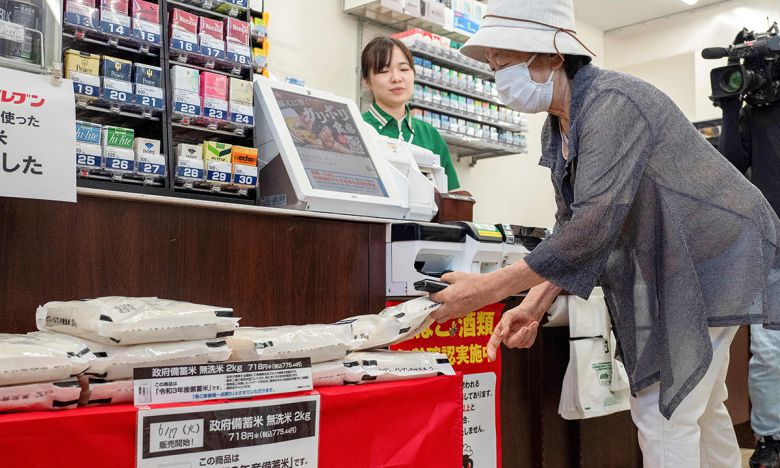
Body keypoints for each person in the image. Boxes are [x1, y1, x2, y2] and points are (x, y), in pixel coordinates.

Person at [427, 0, 780, 466]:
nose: (498, 78)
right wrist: (533, 304)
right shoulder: (558, 127)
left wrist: (486, 289)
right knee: (702, 403)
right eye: (492, 66)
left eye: (504, 62)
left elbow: (593, 225)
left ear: (552, 55)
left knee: (664, 410)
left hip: (714, 254)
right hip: (692, 260)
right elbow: (573, 226)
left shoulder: (613, 103)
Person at [718, 59, 780, 468]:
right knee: (769, 352)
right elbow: (729, 167)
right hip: (769, 251)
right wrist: (727, 105)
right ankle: (771, 439)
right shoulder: (755, 109)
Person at [360, 36, 461, 191]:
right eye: (384, 71)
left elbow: (453, 197)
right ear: (367, 81)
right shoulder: (357, 127)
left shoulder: (431, 136)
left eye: (404, 69)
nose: (396, 78)